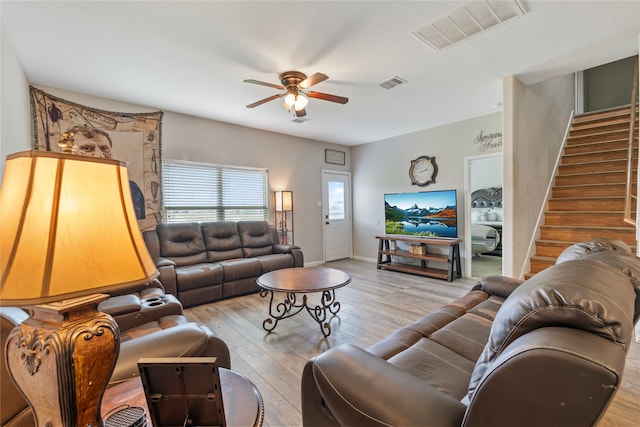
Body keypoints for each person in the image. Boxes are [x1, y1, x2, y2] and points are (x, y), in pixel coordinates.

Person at [66, 125, 145, 219]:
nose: (100, 155)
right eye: (87, 148)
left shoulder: (130, 189)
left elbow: (138, 228)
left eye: (104, 148)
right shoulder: (60, 191)